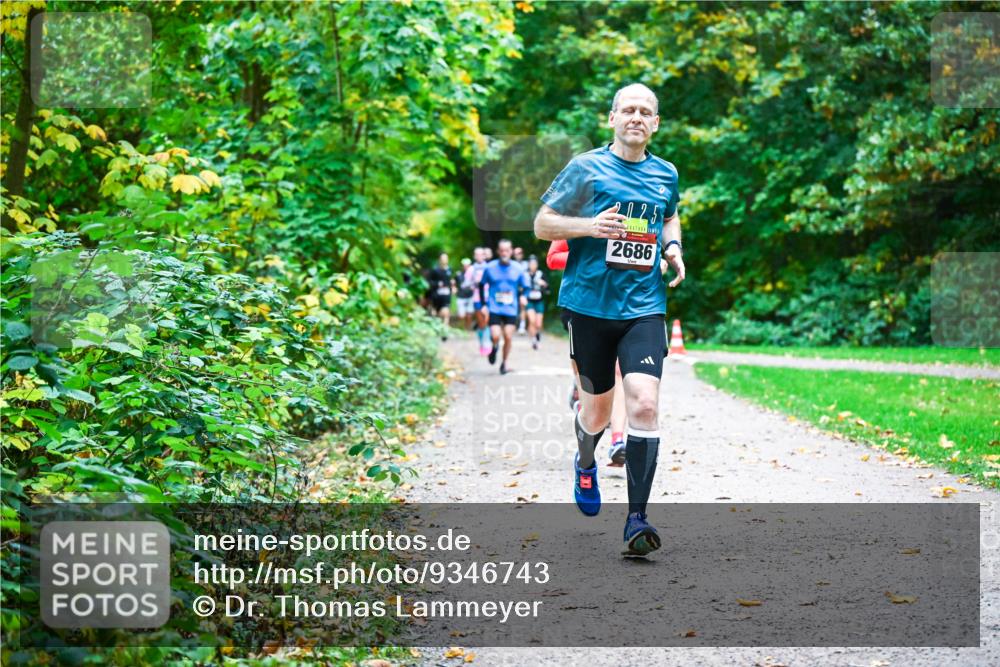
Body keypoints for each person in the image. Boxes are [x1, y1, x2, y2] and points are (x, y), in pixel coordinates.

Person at [533, 83, 685, 557]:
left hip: (644, 306)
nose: (636, 117)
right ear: (612, 118)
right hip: (589, 306)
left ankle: (637, 519)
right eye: (628, 110)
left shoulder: (666, 173)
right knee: (596, 411)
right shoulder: (586, 167)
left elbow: (670, 216)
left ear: (655, 123)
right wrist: (588, 226)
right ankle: (584, 460)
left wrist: (673, 247)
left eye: (646, 112)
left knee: (642, 403)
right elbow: (541, 224)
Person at [478, 239, 529, 375]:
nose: (504, 253)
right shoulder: (490, 267)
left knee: (507, 335)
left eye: (507, 250)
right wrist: (483, 304)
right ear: (498, 251)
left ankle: (504, 363)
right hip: (494, 307)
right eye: (501, 250)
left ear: (511, 251)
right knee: (495, 335)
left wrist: (524, 296)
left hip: (511, 308)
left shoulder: (518, 269)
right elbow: (481, 285)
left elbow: (526, 287)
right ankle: (494, 347)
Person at [427, 253, 455, 341]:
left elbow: (451, 281)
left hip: (446, 295)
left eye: (446, 258)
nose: (444, 260)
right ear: (439, 260)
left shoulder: (449, 270)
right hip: (437, 296)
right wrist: (438, 284)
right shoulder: (435, 270)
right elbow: (429, 283)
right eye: (443, 258)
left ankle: (444, 331)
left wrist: (453, 287)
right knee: (439, 314)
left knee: (446, 313)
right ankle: (439, 328)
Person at [470, 247, 491, 355]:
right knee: (481, 322)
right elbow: (466, 284)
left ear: (484, 255)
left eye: (481, 254)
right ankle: (482, 342)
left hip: (489, 297)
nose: (479, 256)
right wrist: (474, 283)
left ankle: (487, 341)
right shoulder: (471, 269)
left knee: (487, 320)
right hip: (477, 298)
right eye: (477, 254)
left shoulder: (489, 267)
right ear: (474, 256)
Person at [525, 255, 548, 350]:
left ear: (537, 265)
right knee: (532, 320)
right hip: (529, 301)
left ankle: (537, 333)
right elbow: (519, 287)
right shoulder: (525, 275)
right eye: (531, 263)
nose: (532, 265)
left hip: (539, 301)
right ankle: (534, 339)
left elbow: (547, 287)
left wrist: (543, 284)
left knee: (538, 323)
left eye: (534, 263)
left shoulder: (541, 274)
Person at [456, 257, 476, 332]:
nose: (465, 266)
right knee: (461, 315)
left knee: (469, 313)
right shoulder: (458, 274)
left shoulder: (474, 274)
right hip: (460, 296)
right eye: (464, 265)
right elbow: (454, 283)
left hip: (470, 296)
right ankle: (461, 326)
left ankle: (467, 328)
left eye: (467, 265)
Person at [513, 247, 529, 335]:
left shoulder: (526, 264)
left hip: (523, 289)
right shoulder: (511, 264)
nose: (518, 255)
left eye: (519, 253)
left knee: (523, 306)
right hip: (513, 290)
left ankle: (522, 326)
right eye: (516, 253)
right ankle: (512, 325)